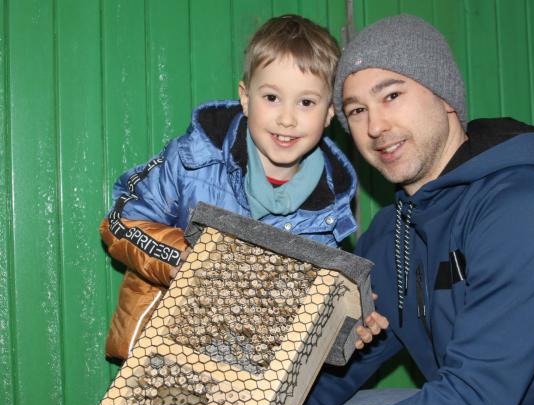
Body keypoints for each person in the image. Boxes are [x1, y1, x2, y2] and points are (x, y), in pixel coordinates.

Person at [243, 14, 534, 405]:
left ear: (444, 96)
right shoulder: (396, 231)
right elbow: (344, 367)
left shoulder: (529, 207)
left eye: (392, 95)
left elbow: (476, 399)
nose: (375, 127)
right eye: (357, 110)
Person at [100, 15, 386, 362]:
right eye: (271, 97)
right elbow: (120, 221)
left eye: (306, 103)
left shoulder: (327, 211)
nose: (287, 118)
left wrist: (347, 324)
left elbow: (302, 317)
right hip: (162, 354)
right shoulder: (194, 158)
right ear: (246, 98)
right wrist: (181, 258)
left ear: (329, 114)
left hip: (247, 380)